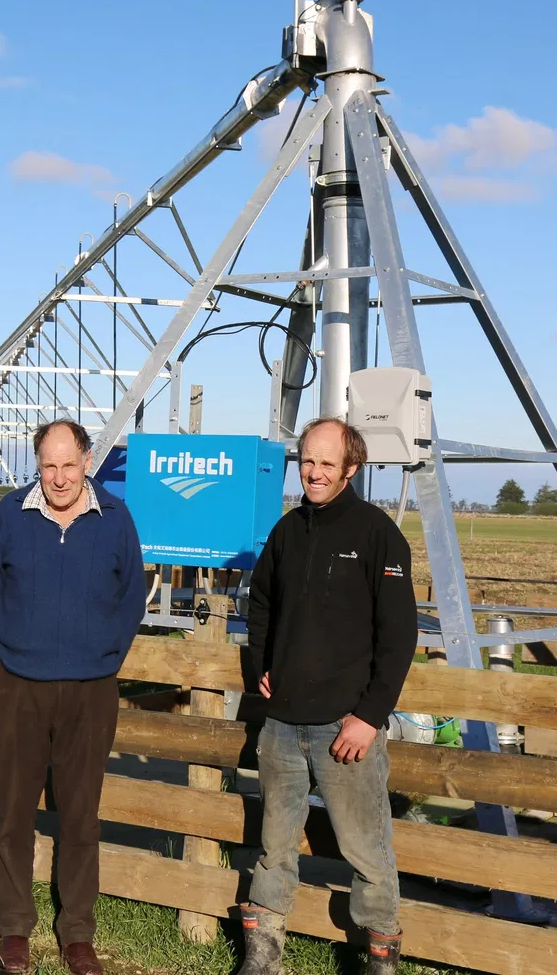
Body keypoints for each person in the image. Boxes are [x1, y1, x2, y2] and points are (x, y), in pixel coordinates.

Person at [239, 417, 417, 975]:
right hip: (282, 725)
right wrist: (262, 666)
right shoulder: (288, 530)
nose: (313, 473)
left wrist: (369, 716)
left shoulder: (377, 535)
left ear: (351, 468)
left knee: (366, 849)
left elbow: (399, 635)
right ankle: (263, 955)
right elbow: (261, 601)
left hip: (346, 726)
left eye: (325, 463)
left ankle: (379, 958)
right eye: (306, 461)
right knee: (274, 847)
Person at [0, 419, 147, 975]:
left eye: (69, 464)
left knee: (80, 816)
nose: (59, 477)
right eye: (48, 465)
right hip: (19, 684)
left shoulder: (115, 519)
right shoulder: (11, 514)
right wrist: (6, 648)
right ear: (37, 464)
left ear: (87, 460)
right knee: (16, 812)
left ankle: (76, 933)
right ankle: (15, 930)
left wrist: (105, 654)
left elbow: (130, 597)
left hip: (90, 690)